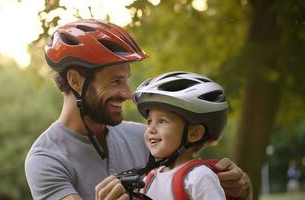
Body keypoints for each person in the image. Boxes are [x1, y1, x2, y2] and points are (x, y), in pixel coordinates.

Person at [24, 19, 251, 200]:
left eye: (127, 80)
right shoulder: (46, 159)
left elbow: (188, 182)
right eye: (115, 81)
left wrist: (238, 188)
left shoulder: (143, 137)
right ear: (75, 81)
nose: (128, 94)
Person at [131, 71, 229, 199]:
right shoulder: (150, 178)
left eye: (162, 121)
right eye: (149, 122)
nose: (151, 129)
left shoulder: (198, 177)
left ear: (195, 133)